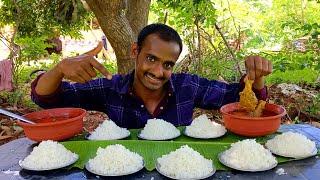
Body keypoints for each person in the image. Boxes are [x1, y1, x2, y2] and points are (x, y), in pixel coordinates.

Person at [31, 23, 272, 129]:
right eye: (151, 59)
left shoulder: (187, 86)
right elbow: (45, 98)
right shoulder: (111, 89)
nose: (158, 72)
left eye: (168, 64)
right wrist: (60, 68)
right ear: (135, 52)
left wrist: (256, 76)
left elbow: (241, 99)